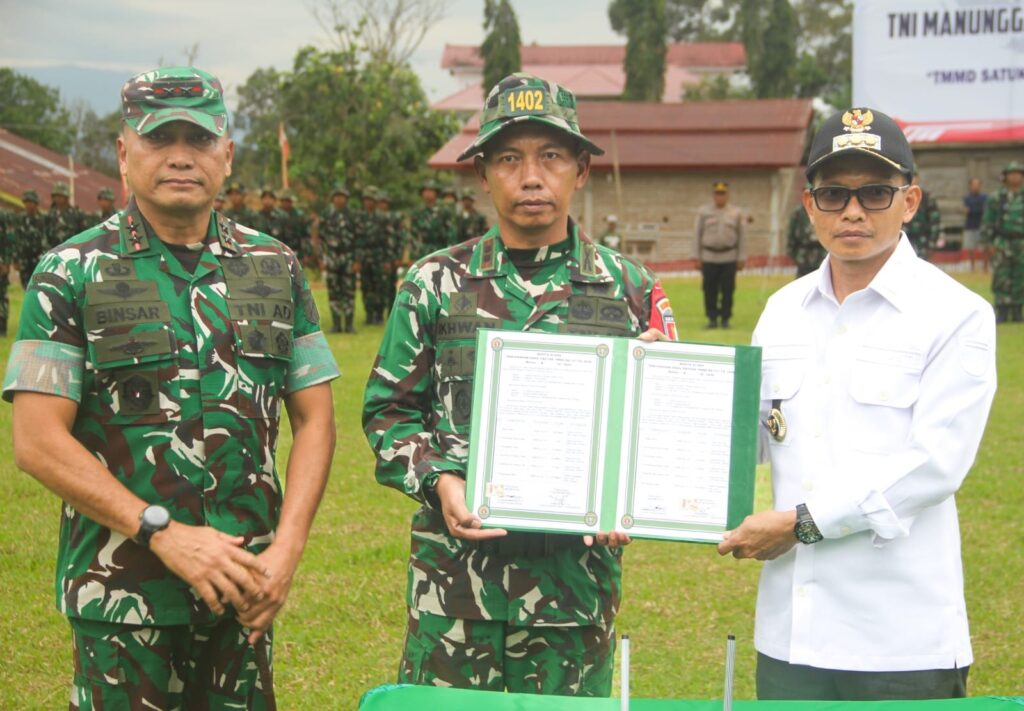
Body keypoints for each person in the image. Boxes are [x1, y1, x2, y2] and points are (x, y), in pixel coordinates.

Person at [3, 65, 340, 709]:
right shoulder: (69, 272)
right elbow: (37, 441)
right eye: (160, 139)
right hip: (123, 600)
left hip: (244, 591)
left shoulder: (275, 267)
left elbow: (316, 418)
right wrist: (161, 531)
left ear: (227, 155)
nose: (182, 156)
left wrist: (288, 549)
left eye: (200, 139)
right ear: (123, 153)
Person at [363, 73, 678, 697]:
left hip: (573, 594)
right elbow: (388, 412)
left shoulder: (630, 289)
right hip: (454, 591)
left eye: (551, 155)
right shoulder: (434, 283)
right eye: (509, 158)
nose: (531, 177)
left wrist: (633, 489)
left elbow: (663, 433)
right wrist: (441, 480)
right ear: (483, 174)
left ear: (581, 170)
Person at [718, 107, 996, 700]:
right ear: (809, 204)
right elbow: (751, 438)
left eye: (874, 193)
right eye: (833, 194)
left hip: (899, 640)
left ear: (910, 201)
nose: (852, 211)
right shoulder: (783, 311)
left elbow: (935, 465)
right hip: (792, 636)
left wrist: (803, 523)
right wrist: (668, 387)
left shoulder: (956, 314)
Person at [694, 181, 745, 329]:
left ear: (727, 195)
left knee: (728, 290)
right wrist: (696, 256)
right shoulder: (704, 212)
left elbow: (742, 236)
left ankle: (725, 319)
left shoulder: (736, 213)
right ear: (713, 195)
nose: (720, 197)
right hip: (709, 256)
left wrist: (741, 257)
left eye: (723, 194)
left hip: (729, 257)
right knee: (709, 289)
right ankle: (712, 318)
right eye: (717, 194)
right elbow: (697, 234)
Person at [981, 161, 1024, 322]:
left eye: (1018, 173)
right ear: (1005, 177)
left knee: (1020, 276)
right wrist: (988, 243)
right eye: (1012, 174)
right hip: (1002, 242)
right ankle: (1002, 310)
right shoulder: (997, 197)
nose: (1015, 177)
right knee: (1001, 275)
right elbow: (988, 221)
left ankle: (1017, 310)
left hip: (1021, 243)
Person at [320, 184, 358, 333]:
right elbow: (321, 238)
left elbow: (359, 239)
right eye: (337, 196)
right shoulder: (326, 215)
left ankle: (349, 324)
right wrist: (321, 258)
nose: (339, 199)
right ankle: (336, 323)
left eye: (342, 197)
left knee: (349, 291)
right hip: (332, 257)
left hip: (348, 257)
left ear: (346, 199)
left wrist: (357, 260)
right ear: (332, 199)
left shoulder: (352, 215)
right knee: (333, 290)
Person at [13, 188, 51, 288]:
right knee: (26, 287)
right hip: (24, 260)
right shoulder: (19, 219)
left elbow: (47, 240)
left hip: (39, 260)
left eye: (31, 202)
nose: (29, 205)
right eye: (26, 202)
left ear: (36, 204)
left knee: (40, 287)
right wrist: (16, 259)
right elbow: (16, 239)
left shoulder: (44, 220)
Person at [410, 178, 457, 258]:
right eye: (425, 191)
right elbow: (412, 236)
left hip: (442, 250)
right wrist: (414, 254)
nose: (428, 193)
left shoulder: (444, 211)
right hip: (424, 251)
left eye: (431, 190)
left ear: (436, 193)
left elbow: (451, 232)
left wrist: (451, 252)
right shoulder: (417, 212)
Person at [903, 173, 942, 259]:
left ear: (917, 179)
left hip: (922, 241)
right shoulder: (899, 196)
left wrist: (932, 242)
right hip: (903, 239)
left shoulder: (926, 197)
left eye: (913, 177)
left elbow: (934, 221)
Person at [785, 201, 826, 277]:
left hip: (822, 254)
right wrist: (792, 252)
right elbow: (792, 233)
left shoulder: (825, 209)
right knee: (803, 281)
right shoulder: (799, 212)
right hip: (804, 256)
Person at [49, 181, 88, 247]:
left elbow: (84, 235)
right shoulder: (50, 215)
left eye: (60, 196)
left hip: (72, 250)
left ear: (67, 197)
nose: (58, 198)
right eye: (56, 196)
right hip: (54, 250)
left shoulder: (77, 214)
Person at [962, 177, 986, 254]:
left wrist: (972, 210)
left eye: (977, 185)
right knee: (969, 249)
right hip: (970, 226)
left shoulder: (984, 197)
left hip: (982, 226)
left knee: (983, 249)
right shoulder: (967, 198)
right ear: (970, 186)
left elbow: (983, 210)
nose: (975, 187)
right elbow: (966, 210)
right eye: (973, 185)